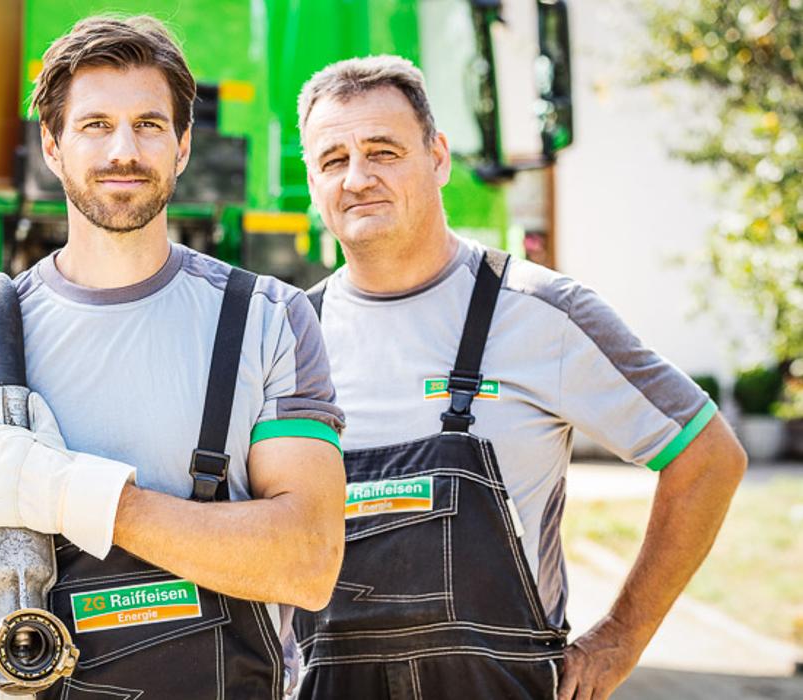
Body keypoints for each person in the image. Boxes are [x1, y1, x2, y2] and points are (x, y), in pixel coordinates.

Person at [0, 15, 347, 700]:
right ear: (52, 146)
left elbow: (307, 561)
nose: (124, 150)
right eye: (95, 125)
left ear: (183, 146)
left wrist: (79, 496)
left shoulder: (266, 321)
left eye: (149, 125)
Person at [290, 55, 747, 700]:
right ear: (312, 180)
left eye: (383, 150)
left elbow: (707, 458)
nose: (358, 177)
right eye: (333, 160)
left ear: (438, 156)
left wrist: (620, 638)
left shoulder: (544, 314)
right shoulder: (286, 340)